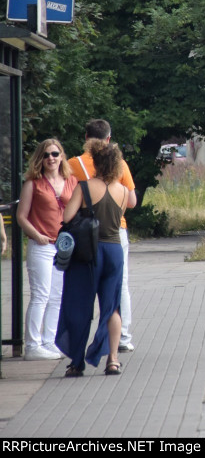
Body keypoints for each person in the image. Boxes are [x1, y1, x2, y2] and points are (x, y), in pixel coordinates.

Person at [56, 139, 133, 376]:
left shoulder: (85, 187)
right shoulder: (123, 191)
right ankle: (112, 360)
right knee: (112, 307)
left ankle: (77, 362)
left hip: (90, 252)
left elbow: (68, 217)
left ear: (96, 163)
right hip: (114, 251)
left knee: (81, 305)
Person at [69, 119, 138, 353]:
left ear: (85, 137)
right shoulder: (120, 164)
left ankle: (77, 346)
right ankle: (123, 338)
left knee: (85, 287)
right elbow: (132, 201)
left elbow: (67, 206)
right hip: (116, 230)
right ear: (108, 139)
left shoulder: (71, 164)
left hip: (85, 232)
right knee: (120, 285)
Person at [16, 139, 79, 360]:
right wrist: (37, 235)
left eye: (54, 153)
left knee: (57, 295)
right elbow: (21, 217)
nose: (50, 158)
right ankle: (32, 345)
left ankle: (48, 341)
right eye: (46, 155)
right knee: (40, 295)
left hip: (63, 246)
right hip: (42, 245)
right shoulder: (33, 183)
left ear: (61, 156)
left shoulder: (72, 181)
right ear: (40, 159)